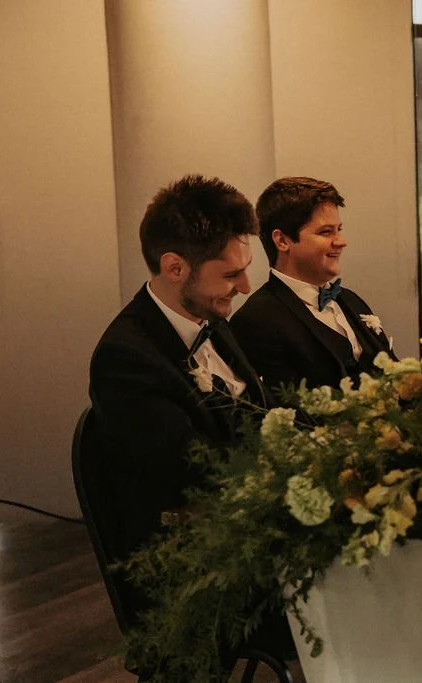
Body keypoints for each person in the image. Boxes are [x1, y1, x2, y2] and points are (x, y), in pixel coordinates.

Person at [88, 174, 270, 626]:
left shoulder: (213, 320)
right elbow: (195, 471)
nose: (246, 286)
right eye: (231, 274)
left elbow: (259, 417)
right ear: (175, 268)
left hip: (248, 525)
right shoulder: (125, 358)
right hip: (194, 563)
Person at [231, 176, 396, 395]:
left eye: (339, 229)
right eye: (326, 232)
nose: (341, 241)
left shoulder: (351, 300)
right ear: (282, 241)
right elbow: (287, 409)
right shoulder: (256, 321)